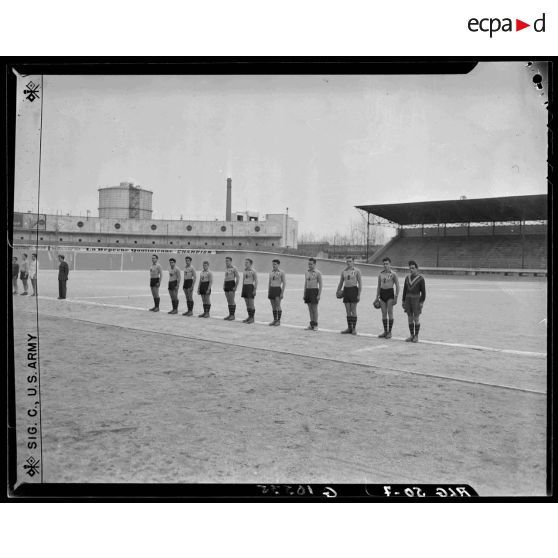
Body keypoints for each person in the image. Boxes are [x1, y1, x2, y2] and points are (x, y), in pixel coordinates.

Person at [374, 257, 400, 339]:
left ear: (390, 264)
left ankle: (390, 332)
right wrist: (376, 297)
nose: (385, 265)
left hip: (390, 294)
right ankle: (385, 331)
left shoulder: (393, 274)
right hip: (382, 294)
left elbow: (398, 286)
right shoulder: (380, 274)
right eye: (384, 264)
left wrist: (396, 296)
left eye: (387, 264)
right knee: (384, 314)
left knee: (390, 313)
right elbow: (378, 286)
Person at [336, 256, 362, 334]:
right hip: (346, 290)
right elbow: (341, 283)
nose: (348, 263)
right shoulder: (344, 272)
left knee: (353, 310)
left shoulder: (357, 271)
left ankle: (354, 328)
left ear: (353, 262)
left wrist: (359, 294)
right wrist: (337, 291)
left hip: (354, 290)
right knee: (348, 311)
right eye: (347, 261)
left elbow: (360, 283)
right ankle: (349, 328)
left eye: (350, 261)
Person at [402, 260, 426, 343]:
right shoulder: (407, 278)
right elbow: (404, 290)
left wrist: (421, 302)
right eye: (410, 268)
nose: (411, 269)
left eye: (413, 268)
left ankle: (416, 336)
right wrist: (403, 301)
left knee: (416, 318)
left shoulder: (421, 279)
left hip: (416, 300)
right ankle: (411, 335)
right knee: (409, 318)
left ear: (417, 269)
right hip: (408, 299)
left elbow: (423, 293)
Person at [303, 257, 322, 331]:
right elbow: (305, 283)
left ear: (314, 264)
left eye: (311, 264)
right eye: (309, 264)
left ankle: (316, 324)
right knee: (310, 309)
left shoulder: (318, 273)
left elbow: (320, 284)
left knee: (314, 309)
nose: (309, 265)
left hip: (314, 291)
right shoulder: (306, 272)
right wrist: (304, 293)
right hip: (308, 291)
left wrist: (319, 294)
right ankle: (311, 324)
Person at [267, 259, 286, 326]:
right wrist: (269, 291)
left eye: (275, 264)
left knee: (278, 306)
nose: (273, 265)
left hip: (278, 289)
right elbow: (269, 283)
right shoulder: (271, 272)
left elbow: (284, 283)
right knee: (273, 306)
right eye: (273, 264)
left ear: (278, 265)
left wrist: (282, 293)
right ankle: (274, 320)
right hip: (272, 289)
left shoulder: (281, 272)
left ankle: (278, 321)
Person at [241, 258, 258, 324]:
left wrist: (254, 290)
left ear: (251, 264)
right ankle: (249, 316)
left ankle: (252, 318)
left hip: (250, 287)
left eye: (247, 262)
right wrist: (243, 288)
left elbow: (256, 281)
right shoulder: (244, 271)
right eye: (245, 262)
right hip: (245, 287)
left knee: (251, 303)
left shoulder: (253, 271)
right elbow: (243, 280)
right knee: (247, 303)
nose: (245, 264)